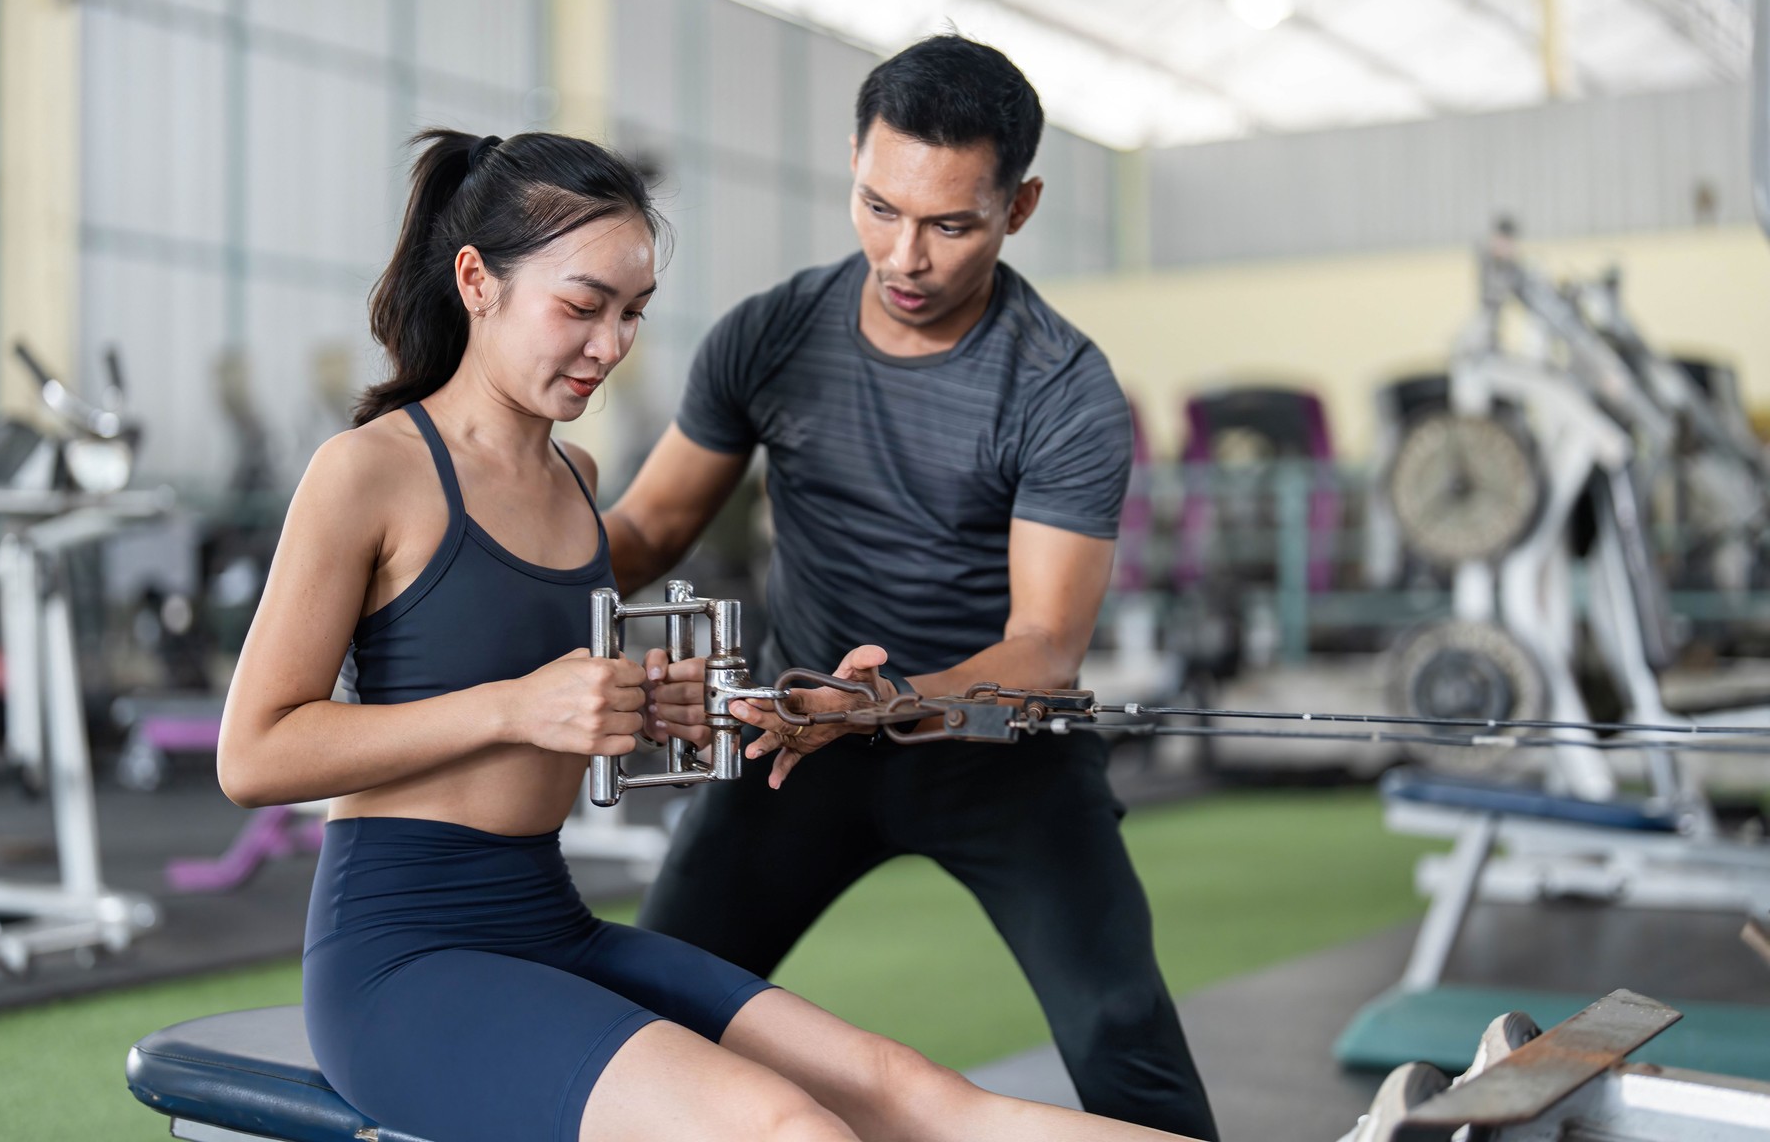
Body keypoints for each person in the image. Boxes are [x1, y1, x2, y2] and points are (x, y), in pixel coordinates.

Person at [216, 127, 1204, 1142]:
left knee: (912, 1090)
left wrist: (661, 706)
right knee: (789, 1125)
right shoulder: (368, 469)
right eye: (583, 305)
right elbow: (255, 753)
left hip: (549, 923)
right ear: (476, 279)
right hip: (404, 959)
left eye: (633, 312)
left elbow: (539, 688)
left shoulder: (576, 480)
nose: (611, 345)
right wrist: (521, 704)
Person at [612, 36, 1220, 1139]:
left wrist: (881, 701)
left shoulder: (1063, 387)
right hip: (801, 748)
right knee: (646, 1006)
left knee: (1122, 1022)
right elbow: (647, 525)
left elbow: (1043, 646)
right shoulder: (770, 335)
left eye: (951, 224)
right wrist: (480, 563)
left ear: (1019, 206)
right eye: (878, 205)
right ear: (853, 159)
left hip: (1003, 759)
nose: (906, 254)